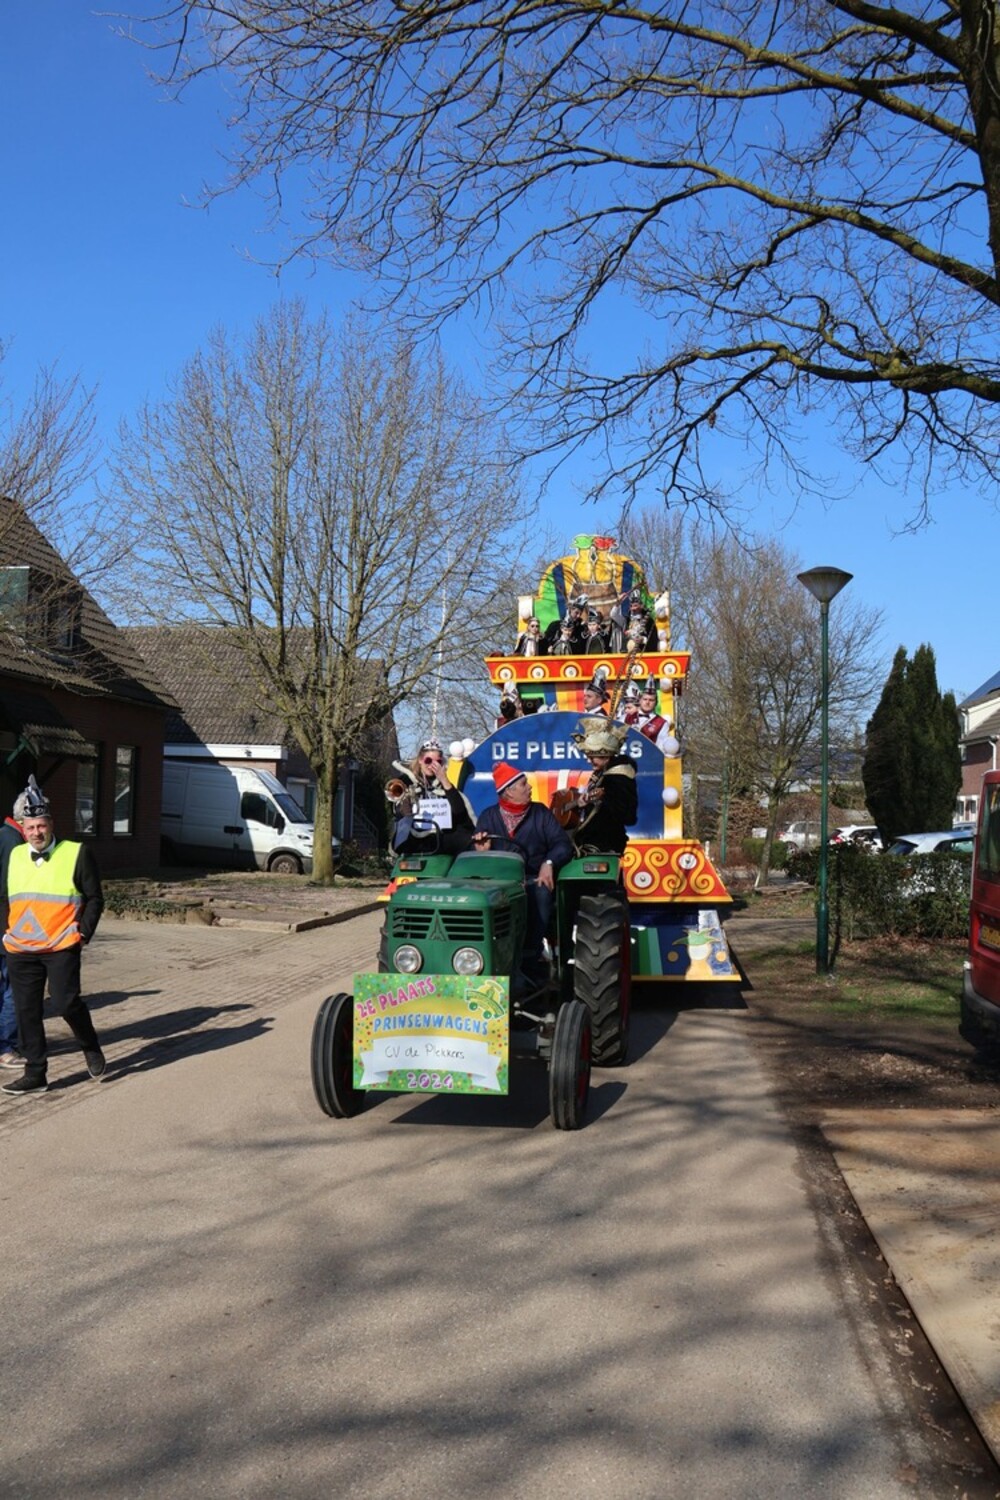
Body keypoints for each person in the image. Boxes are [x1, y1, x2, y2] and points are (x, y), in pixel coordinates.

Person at [2, 776, 105, 1095]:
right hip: (21, 948)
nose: (36, 832)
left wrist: (83, 933)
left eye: (41, 826)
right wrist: (5, 933)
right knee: (26, 1011)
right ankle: (36, 1073)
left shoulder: (76, 853)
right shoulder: (15, 855)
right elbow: (5, 897)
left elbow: (95, 898)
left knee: (65, 1003)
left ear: (51, 825)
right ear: (23, 828)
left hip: (61, 945)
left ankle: (89, 1044)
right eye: (30, 827)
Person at [472, 763, 574, 989]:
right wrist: (482, 850)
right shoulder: (488, 816)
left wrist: (548, 863)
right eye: (523, 784)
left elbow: (562, 844)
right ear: (508, 791)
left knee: (541, 892)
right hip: (498, 882)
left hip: (531, 878)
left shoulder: (540, 813)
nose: (529, 787)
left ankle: (530, 958)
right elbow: (477, 854)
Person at [390, 739, 475, 857]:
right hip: (415, 835)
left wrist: (444, 780)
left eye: (437, 762)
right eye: (428, 761)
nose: (432, 766)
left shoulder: (445, 782)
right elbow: (396, 810)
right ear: (420, 760)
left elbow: (459, 811)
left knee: (467, 840)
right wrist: (405, 809)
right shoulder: (405, 781)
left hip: (441, 835)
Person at [571, 719, 638, 855]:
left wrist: (603, 800)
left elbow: (627, 815)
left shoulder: (619, 777)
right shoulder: (601, 774)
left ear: (606, 756)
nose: (588, 761)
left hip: (604, 843)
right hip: (591, 839)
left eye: (592, 757)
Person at [0, 791, 28, 1069]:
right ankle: (6, 1048)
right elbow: (11, 891)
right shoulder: (13, 844)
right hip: (8, 928)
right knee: (13, 988)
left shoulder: (4, 836)